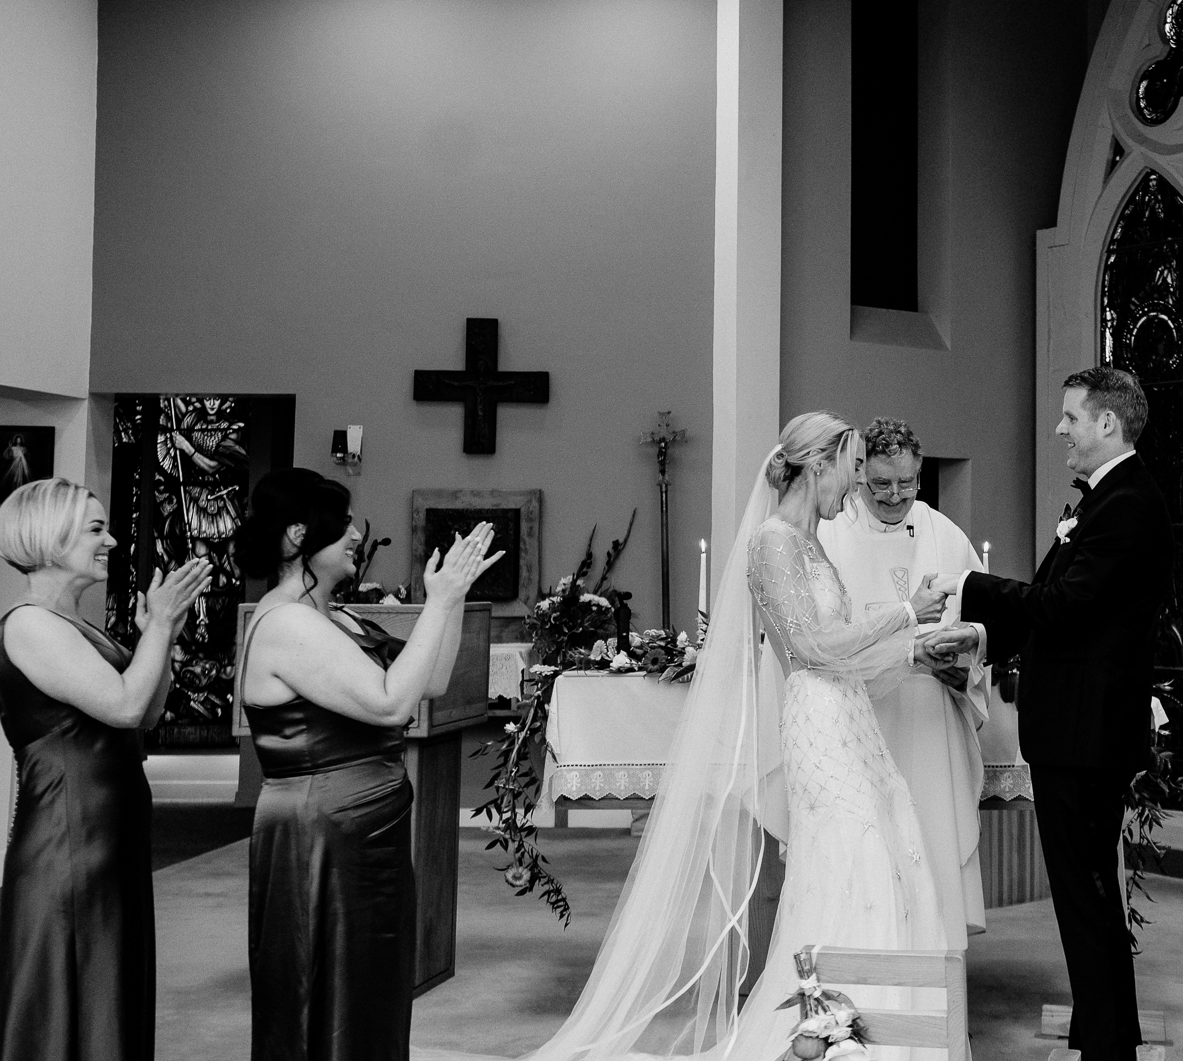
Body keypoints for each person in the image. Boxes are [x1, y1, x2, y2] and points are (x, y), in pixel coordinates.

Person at [414, 411, 959, 1061]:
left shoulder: (809, 544)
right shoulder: (773, 542)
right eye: (849, 472)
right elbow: (811, 648)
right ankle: (834, 1034)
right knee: (845, 865)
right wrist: (903, 613)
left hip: (853, 721)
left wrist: (912, 646)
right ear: (818, 466)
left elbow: (841, 655)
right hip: (820, 728)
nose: (856, 489)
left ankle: (870, 1030)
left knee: (878, 862)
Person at [926, 367, 1172, 1061]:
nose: (1060, 429)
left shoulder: (1127, 504)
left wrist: (971, 584)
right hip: (1073, 730)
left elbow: (1062, 606)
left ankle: (1106, 1046)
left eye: (1070, 417)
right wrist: (980, 636)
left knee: (1087, 901)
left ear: (1107, 424)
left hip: (1085, 734)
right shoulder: (1105, 500)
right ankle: (1104, 1035)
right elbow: (1051, 609)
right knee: (1083, 902)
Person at [235, 469, 498, 1061]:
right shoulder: (285, 623)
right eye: (344, 523)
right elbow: (388, 703)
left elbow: (427, 681)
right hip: (319, 842)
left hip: (365, 838)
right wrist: (441, 600)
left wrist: (449, 602)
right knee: (324, 995)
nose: (357, 534)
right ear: (298, 536)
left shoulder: (336, 617)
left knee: (369, 997)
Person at [0, 478, 212, 1061]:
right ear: (50, 537)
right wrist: (163, 626)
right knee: (71, 1000)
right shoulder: (28, 625)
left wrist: (156, 638)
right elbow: (121, 706)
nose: (112, 541)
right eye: (96, 529)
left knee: (107, 996)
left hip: (108, 841)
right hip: (68, 846)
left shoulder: (78, 625)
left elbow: (145, 712)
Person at [817, 415, 990, 947]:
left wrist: (961, 660)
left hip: (928, 715)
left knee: (932, 833)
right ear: (861, 471)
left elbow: (979, 627)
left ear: (920, 474)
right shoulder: (831, 535)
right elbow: (822, 638)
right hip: (864, 713)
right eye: (881, 483)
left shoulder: (946, 534)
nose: (894, 495)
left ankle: (936, 960)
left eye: (907, 483)